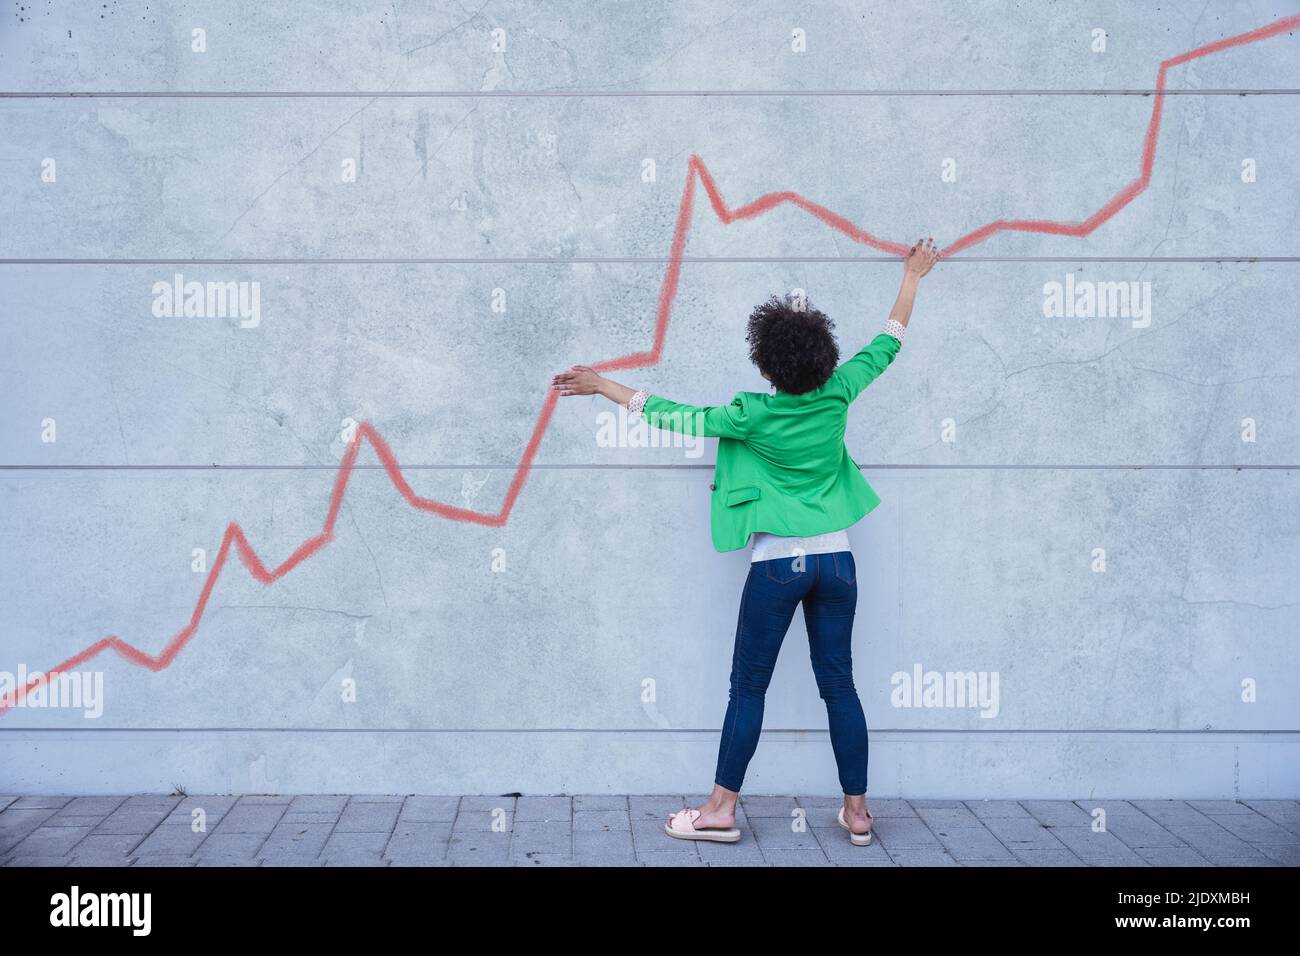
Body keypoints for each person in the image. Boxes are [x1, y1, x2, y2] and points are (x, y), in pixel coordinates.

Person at [552, 238, 941, 846]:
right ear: (824, 357)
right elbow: (889, 340)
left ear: (765, 367)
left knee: (748, 687)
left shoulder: (749, 413)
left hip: (780, 565)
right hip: (837, 560)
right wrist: (913, 276)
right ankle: (859, 815)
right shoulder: (841, 390)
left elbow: (674, 414)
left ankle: (719, 810)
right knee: (839, 685)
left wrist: (604, 386)